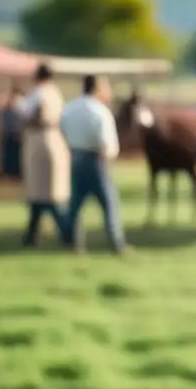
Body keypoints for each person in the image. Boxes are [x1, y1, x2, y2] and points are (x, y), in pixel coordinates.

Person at [61, 74, 126, 254]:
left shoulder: (70, 108)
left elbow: (63, 130)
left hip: (76, 157)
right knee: (109, 203)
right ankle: (117, 243)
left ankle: (73, 243)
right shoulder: (100, 111)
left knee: (75, 204)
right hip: (97, 160)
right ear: (97, 88)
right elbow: (108, 142)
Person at [19, 63, 71, 247]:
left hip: (39, 143)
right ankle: (32, 235)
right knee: (45, 193)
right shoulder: (55, 93)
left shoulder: (38, 93)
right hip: (55, 141)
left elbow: (30, 113)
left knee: (45, 194)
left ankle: (66, 232)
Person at [0, 84, 25, 179]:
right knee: (8, 153)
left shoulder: (21, 101)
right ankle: (8, 171)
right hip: (8, 132)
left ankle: (16, 172)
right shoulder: (6, 100)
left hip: (17, 132)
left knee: (16, 153)